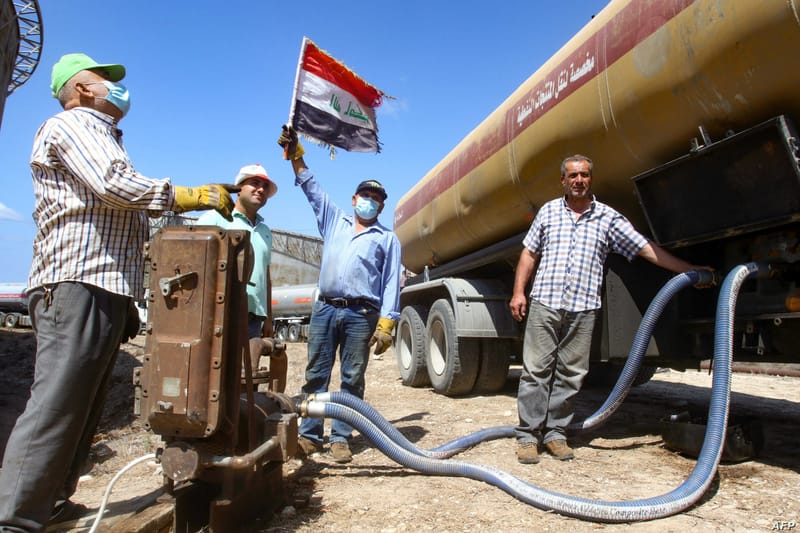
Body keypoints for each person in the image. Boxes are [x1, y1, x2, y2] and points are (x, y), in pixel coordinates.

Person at [0, 52, 236, 532]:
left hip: (99, 284)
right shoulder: (75, 125)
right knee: (58, 403)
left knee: (81, 407)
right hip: (77, 279)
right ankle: (14, 518)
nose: (115, 88)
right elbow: (113, 185)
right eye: (105, 80)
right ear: (83, 88)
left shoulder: (101, 133)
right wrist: (186, 194)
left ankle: (51, 504)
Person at [509, 154, 711, 465]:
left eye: (585, 175)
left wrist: (687, 270)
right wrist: (518, 292)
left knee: (571, 374)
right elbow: (529, 254)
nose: (579, 180)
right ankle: (527, 436)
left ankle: (555, 434)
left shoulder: (607, 217)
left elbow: (645, 248)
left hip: (584, 307)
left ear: (591, 179)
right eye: (573, 175)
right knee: (536, 371)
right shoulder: (549, 211)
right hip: (545, 303)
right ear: (563, 180)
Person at [277, 125, 401, 463]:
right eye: (365, 196)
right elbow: (312, 189)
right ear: (353, 199)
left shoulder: (387, 239)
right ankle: (310, 435)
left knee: (351, 378)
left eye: (376, 200)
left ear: (381, 207)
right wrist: (296, 157)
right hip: (326, 309)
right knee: (316, 373)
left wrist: (389, 321)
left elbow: (391, 281)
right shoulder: (335, 221)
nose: (369, 202)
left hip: (362, 315)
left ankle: (341, 437)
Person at [196, 163, 288, 391]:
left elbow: (265, 275)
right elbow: (197, 263)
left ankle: (244, 420)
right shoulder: (216, 219)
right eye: (254, 183)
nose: (260, 189)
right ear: (239, 188)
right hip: (221, 312)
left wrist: (268, 317)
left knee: (247, 376)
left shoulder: (265, 231)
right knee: (216, 373)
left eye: (265, 186)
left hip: (254, 316)